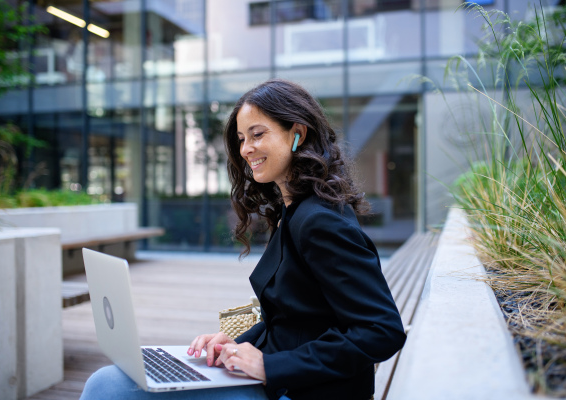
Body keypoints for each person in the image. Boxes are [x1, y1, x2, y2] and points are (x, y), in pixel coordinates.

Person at [80, 79, 406, 400]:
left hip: (304, 390)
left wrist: (269, 365)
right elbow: (293, 321)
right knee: (107, 383)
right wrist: (236, 344)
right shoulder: (291, 211)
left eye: (257, 134)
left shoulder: (320, 221)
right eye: (241, 138)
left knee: (108, 389)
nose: (246, 149)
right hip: (276, 380)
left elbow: (381, 331)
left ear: (297, 134)